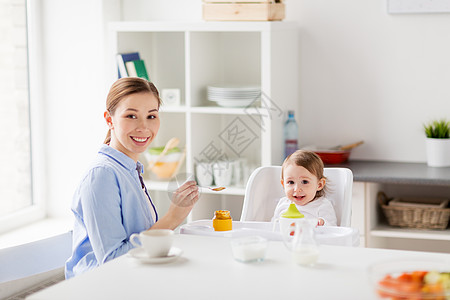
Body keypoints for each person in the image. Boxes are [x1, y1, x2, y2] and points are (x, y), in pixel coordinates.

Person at [65, 77, 199, 279]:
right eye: (131, 116)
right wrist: (173, 217)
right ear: (109, 120)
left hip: (134, 280)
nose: (144, 127)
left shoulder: (129, 169)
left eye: (151, 116)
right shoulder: (101, 175)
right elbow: (112, 263)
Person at [272, 150, 337, 226]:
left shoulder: (322, 205)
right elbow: (273, 226)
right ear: (283, 184)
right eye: (291, 182)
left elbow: (332, 229)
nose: (297, 189)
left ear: (319, 185)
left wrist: (322, 224)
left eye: (305, 182)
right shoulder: (282, 204)